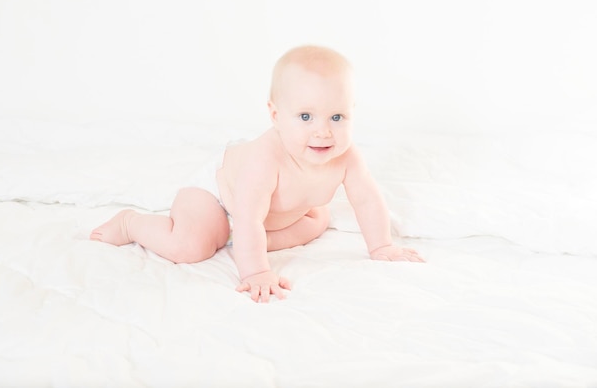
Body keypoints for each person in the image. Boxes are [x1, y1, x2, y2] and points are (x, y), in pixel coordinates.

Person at [90, 45, 425, 302]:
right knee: (192, 246)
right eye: (306, 117)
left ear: (353, 113)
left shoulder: (348, 157)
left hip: (269, 213)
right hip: (219, 195)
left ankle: (239, 241)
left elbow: (367, 200)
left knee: (317, 220)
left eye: (336, 117)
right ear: (275, 115)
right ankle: (130, 223)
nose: (323, 131)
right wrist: (257, 271)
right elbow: (249, 217)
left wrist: (382, 246)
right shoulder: (264, 159)